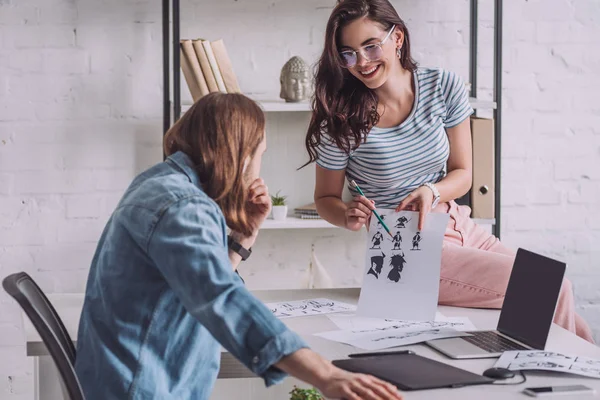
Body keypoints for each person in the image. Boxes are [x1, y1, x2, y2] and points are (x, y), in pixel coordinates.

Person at [74, 93, 403, 400]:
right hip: (143, 386)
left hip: (130, 376)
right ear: (241, 156)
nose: (259, 167)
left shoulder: (161, 183)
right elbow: (221, 297)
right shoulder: (181, 206)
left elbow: (201, 283)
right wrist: (325, 374)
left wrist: (245, 235)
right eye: (260, 155)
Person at [305, 0, 593, 342]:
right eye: (349, 54)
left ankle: (554, 382)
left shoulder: (442, 86)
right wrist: (347, 215)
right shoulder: (340, 120)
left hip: (462, 225)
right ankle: (544, 379)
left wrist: (433, 191)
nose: (362, 62)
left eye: (371, 46)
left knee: (567, 311)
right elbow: (325, 199)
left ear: (397, 38)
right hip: (407, 245)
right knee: (549, 286)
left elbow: (463, 173)